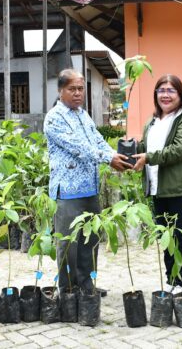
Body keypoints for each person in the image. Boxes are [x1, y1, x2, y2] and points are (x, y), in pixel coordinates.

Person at [44, 68, 132, 294]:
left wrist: (116, 154)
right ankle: (68, 289)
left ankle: (87, 284)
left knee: (90, 241)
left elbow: (98, 141)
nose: (77, 93)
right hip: (68, 191)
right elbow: (78, 147)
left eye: (80, 89)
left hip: (89, 189)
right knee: (68, 243)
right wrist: (108, 158)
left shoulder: (83, 114)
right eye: (72, 89)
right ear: (61, 91)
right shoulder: (54, 118)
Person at [132, 74, 182, 294]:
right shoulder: (152, 122)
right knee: (165, 237)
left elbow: (180, 149)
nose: (165, 95)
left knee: (181, 236)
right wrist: (129, 153)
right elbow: (144, 147)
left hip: (181, 189)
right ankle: (171, 279)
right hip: (157, 189)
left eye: (171, 90)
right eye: (161, 90)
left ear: (180, 95)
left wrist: (149, 157)